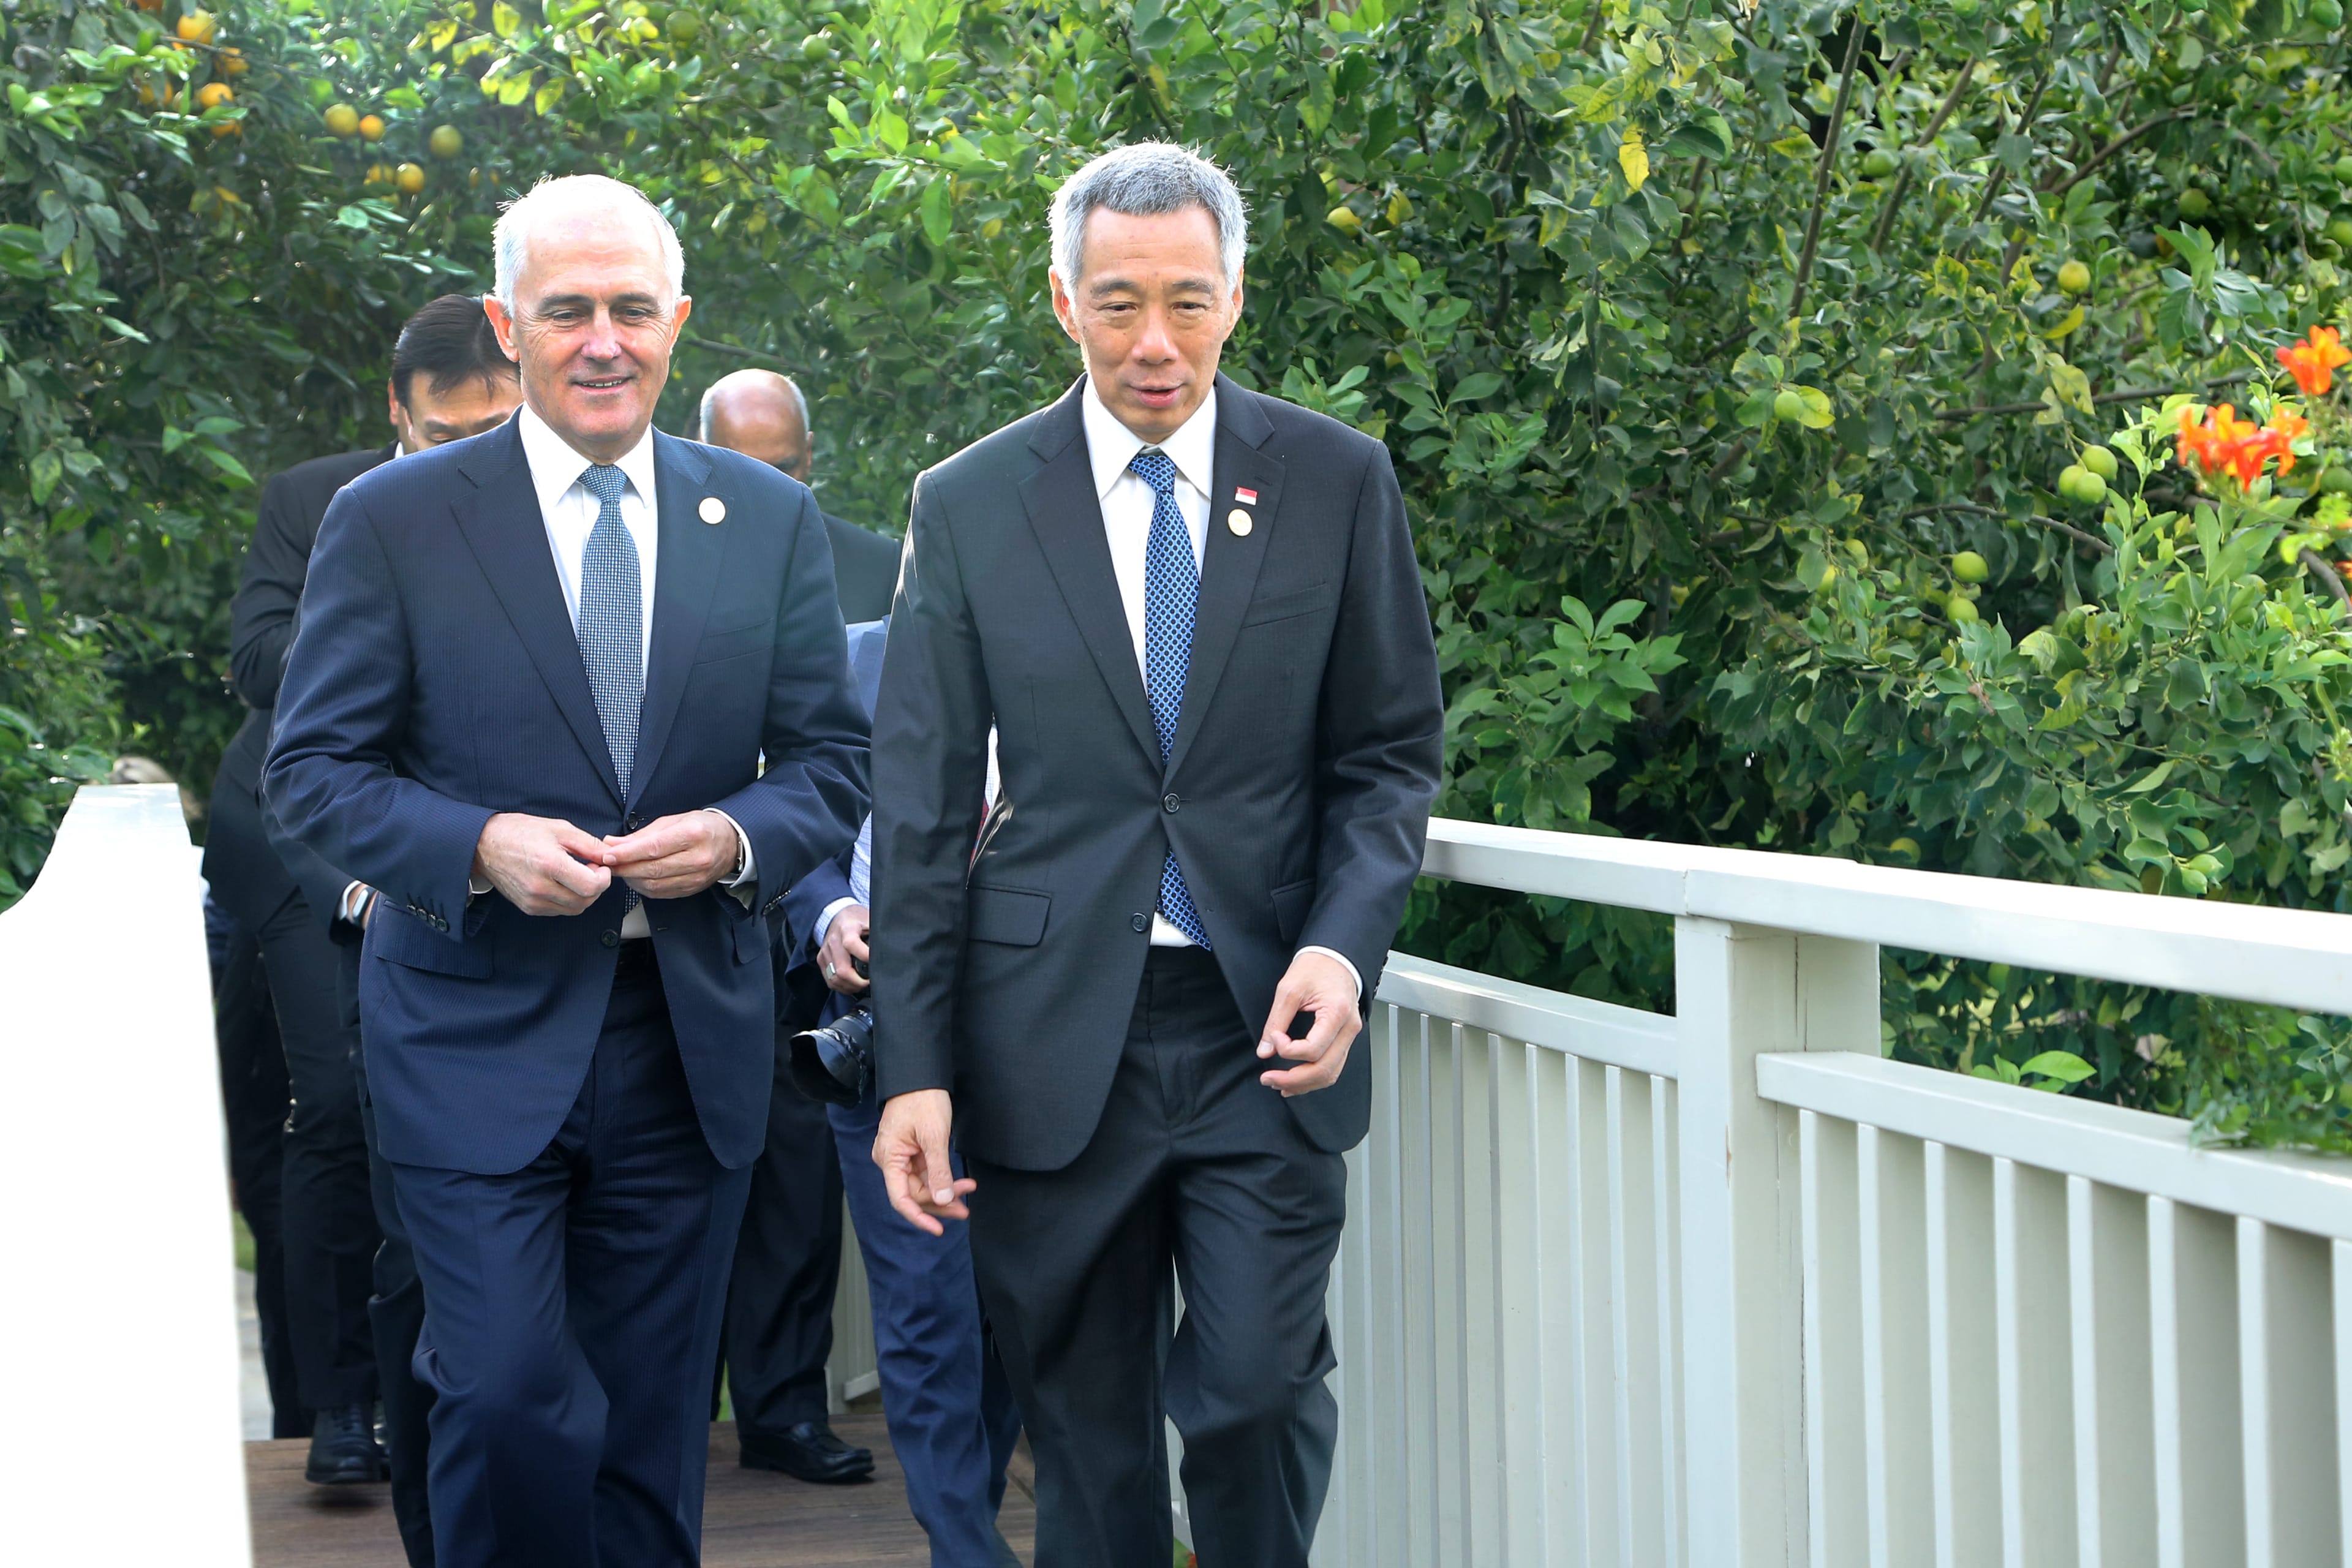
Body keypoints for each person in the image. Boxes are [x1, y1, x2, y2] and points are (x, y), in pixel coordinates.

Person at [265, 173, 869, 1568]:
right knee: (506, 1393)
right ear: (507, 322)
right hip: (469, 1034)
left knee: (651, 1429)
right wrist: (473, 845)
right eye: (567, 311)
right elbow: (313, 772)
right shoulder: (397, 518)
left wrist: (737, 839)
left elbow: (835, 761)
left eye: (632, 310)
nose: (604, 340)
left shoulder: (762, 521)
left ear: (679, 322)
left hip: (690, 1038)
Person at [869, 142, 1444, 1567]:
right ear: (1059, 299)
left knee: (1251, 1389)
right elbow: (923, 806)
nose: (1154, 342)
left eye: (1187, 302)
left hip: (1263, 1025)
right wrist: (914, 1068)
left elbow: (1386, 758)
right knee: (1084, 1428)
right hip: (1047, 1037)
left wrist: (1339, 942)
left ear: (1235, 297)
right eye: (1117, 302)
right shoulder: (970, 500)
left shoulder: (1333, 480)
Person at [204, 293, 524, 1488]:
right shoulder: (318, 497)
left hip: (456, 837)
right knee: (333, 1104)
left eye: (501, 423)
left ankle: (444, 1389)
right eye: (450, 433)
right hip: (299, 832)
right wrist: (396, 625)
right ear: (400, 410)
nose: (478, 451)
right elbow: (252, 665)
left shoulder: (562, 505)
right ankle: (338, 1414)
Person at [775, 617, 1025, 1566]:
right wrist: (831, 912)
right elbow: (789, 810)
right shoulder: (848, 657)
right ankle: (965, 1546)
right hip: (885, 1028)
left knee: (1010, 1308)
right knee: (924, 1305)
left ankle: (972, 1518)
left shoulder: (1077, 646)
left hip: (1039, 1037)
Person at [697, 368, 885, 1487]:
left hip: (812, 929)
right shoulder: (649, 559)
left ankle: (780, 1410)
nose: (768, 486)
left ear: (811, 460)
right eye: (740, 463)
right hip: (679, 924)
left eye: (786, 466)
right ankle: (662, 1416)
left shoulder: (871, 566)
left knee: (796, 1194)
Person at [699, 368, 901, 622]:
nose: (766, 491)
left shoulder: (877, 566)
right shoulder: (662, 558)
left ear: (808, 454)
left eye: (783, 469)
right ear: (705, 460)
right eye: (744, 471)